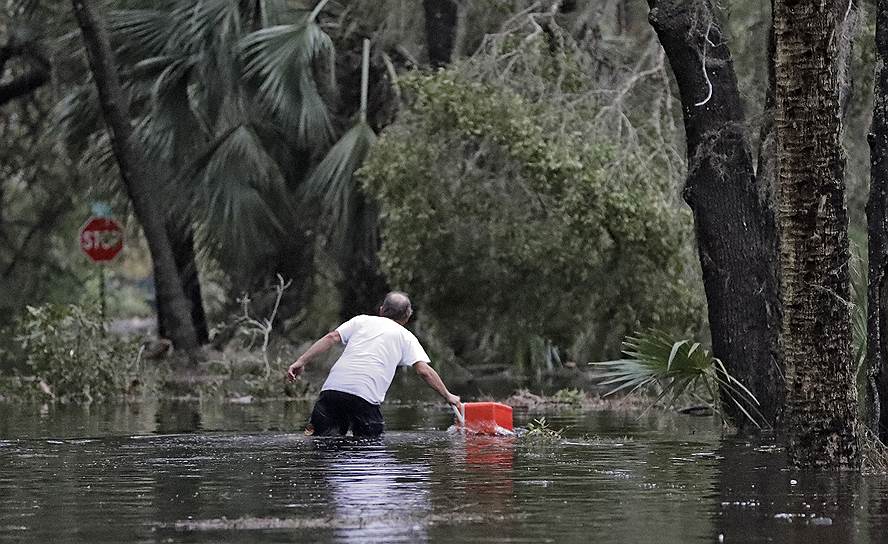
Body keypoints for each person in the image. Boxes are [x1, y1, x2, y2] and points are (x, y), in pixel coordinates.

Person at [286, 291, 461, 437]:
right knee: (371, 453)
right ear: (407, 317)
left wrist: (301, 361)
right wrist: (448, 395)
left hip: (331, 392)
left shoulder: (361, 320)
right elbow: (424, 371)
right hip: (365, 399)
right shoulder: (406, 336)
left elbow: (331, 337)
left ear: (381, 310)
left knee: (322, 447)